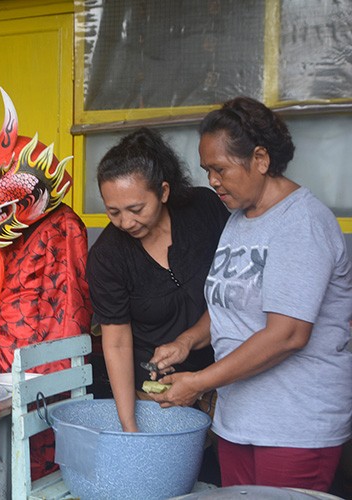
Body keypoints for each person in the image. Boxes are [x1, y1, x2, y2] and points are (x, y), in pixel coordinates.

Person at [149, 96, 352, 492]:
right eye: (207, 169)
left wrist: (199, 382)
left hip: (294, 424)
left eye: (220, 168)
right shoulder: (240, 219)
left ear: (260, 159)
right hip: (240, 419)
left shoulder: (302, 224)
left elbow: (288, 334)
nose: (212, 180)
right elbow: (231, 300)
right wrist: (187, 341)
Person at [0, 89, 93, 499]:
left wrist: (1, 367)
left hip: (40, 377)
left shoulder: (61, 228)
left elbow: (64, 315)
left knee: (30, 475)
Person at [85, 127, 228, 432]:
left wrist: (187, 343)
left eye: (136, 209)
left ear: (163, 192)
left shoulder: (203, 209)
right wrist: (129, 424)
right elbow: (117, 343)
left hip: (227, 373)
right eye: (113, 212)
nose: (126, 222)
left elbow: (233, 292)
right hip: (159, 390)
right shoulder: (107, 256)